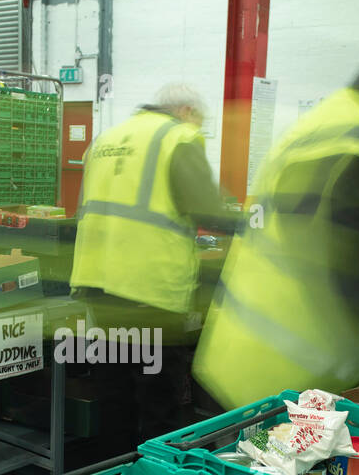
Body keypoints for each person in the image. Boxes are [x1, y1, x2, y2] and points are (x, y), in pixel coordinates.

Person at [192, 5, 359, 410]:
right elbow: (350, 274)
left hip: (262, 379)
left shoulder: (341, 118)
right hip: (275, 398)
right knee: (259, 471)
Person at [70, 83, 236, 439]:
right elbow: (206, 209)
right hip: (149, 288)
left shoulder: (105, 140)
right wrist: (247, 222)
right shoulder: (176, 138)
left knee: (114, 388)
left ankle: (111, 471)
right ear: (187, 112)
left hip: (97, 282)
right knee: (157, 396)